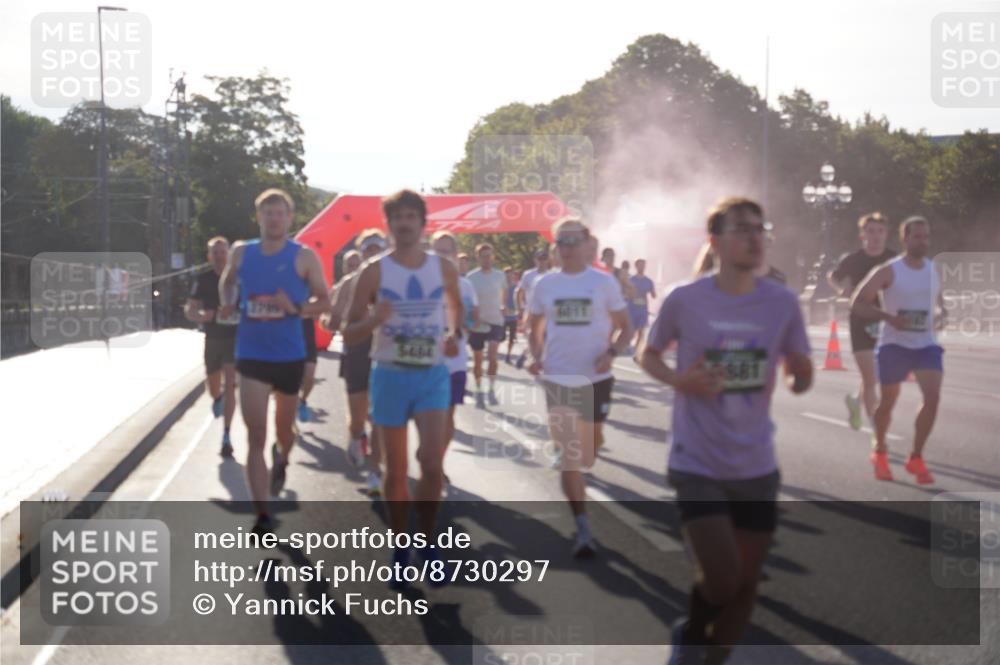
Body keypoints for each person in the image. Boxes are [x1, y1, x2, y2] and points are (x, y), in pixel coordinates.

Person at [640, 197, 813, 665]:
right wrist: (681, 380)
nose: (755, 237)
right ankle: (692, 634)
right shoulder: (686, 299)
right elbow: (648, 353)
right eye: (742, 229)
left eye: (760, 228)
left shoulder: (781, 302)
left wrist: (801, 372)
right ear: (714, 241)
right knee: (722, 578)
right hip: (697, 460)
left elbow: (802, 371)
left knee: (747, 583)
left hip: (756, 463)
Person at [343, 189, 462, 587]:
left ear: (422, 223)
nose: (406, 223)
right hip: (390, 374)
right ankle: (400, 546)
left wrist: (453, 334)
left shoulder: (442, 267)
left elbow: (456, 307)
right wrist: (375, 319)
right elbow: (348, 328)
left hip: (431, 374)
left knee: (430, 461)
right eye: (399, 217)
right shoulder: (374, 272)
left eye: (412, 216)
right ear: (389, 224)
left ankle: (428, 545)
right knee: (395, 471)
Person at [218, 189, 330, 535]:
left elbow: (325, 302)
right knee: (255, 434)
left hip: (289, 355)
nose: (274, 218)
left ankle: (281, 458)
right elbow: (227, 280)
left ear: (290, 218)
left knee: (284, 431)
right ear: (259, 217)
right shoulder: (242, 252)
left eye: (280, 212)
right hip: (251, 354)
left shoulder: (304, 256)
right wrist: (227, 300)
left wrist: (294, 308)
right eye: (267, 212)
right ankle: (263, 514)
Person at [527, 217, 632, 557]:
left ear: (588, 245)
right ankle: (583, 528)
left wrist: (611, 352)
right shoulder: (544, 285)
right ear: (555, 247)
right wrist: (537, 355)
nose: (567, 247)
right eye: (562, 241)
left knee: (590, 447)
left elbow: (625, 328)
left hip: (597, 378)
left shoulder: (604, 283)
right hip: (559, 376)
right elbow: (534, 328)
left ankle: (584, 451)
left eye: (574, 240)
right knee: (572, 457)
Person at [851, 216, 945, 484]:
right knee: (888, 402)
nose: (923, 242)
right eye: (917, 237)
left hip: (926, 344)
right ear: (905, 239)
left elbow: (937, 301)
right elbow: (858, 303)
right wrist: (888, 317)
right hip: (894, 345)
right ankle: (879, 450)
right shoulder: (889, 271)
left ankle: (915, 457)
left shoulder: (933, 269)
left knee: (933, 397)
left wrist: (940, 313)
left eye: (926, 237)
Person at [322, 233, 387, 497]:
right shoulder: (350, 283)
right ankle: (356, 435)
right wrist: (347, 322)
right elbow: (330, 320)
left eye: (377, 249)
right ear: (362, 253)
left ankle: (374, 471)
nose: (373, 254)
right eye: (368, 249)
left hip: (385, 353)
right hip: (357, 350)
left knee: (381, 415)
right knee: (359, 416)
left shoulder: (395, 280)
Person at [829, 212, 897, 430]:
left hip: (888, 323)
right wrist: (842, 289)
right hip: (860, 320)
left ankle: (855, 401)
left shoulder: (895, 260)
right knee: (870, 380)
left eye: (879, 231)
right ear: (862, 235)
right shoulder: (853, 260)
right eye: (870, 231)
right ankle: (877, 431)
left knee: (874, 376)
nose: (875, 236)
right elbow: (832, 275)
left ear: (886, 234)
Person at [431, 231, 480, 489]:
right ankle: (429, 459)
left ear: (455, 254)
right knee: (429, 417)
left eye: (447, 251)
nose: (443, 255)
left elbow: (472, 319)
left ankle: (437, 462)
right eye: (437, 251)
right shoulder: (423, 282)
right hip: (426, 363)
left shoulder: (465, 286)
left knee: (448, 416)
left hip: (455, 361)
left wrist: (459, 329)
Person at [184, 236, 239, 456]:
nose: (219, 256)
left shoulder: (238, 279)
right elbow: (189, 309)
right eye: (215, 252)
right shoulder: (203, 279)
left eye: (223, 251)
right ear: (210, 256)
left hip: (234, 337)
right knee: (214, 385)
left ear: (229, 254)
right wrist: (201, 316)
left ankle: (227, 435)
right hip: (213, 338)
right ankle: (217, 398)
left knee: (231, 383)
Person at [466, 243, 508, 408]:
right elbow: (467, 301)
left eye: (489, 255)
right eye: (483, 255)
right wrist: (470, 320)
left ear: (493, 257)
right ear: (478, 258)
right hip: (478, 323)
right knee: (477, 361)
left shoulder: (499, 276)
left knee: (492, 357)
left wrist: (503, 306)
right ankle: (478, 389)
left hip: (495, 321)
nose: (486, 259)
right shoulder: (471, 277)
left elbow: (504, 292)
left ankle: (490, 389)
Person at [514, 248, 552, 369]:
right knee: (533, 335)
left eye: (544, 258)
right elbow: (519, 292)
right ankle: (531, 356)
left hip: (548, 313)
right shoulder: (528, 275)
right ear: (535, 260)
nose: (542, 261)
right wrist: (519, 308)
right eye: (539, 258)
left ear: (548, 260)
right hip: (531, 311)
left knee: (545, 338)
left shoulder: (552, 275)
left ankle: (531, 356)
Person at [628, 258, 657, 354]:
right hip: (632, 310)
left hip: (643, 310)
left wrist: (653, 292)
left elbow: (654, 295)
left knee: (641, 332)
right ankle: (627, 347)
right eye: (640, 265)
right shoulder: (631, 280)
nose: (642, 267)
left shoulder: (648, 281)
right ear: (636, 266)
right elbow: (625, 293)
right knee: (631, 333)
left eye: (643, 265)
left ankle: (635, 351)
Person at [503, 267, 520, 363]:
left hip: (513, 316)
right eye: (507, 274)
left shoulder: (517, 287)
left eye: (511, 274)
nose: (509, 276)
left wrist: (517, 308)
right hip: (503, 316)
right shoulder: (501, 286)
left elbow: (520, 299)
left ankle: (508, 355)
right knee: (501, 337)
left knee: (511, 338)